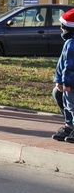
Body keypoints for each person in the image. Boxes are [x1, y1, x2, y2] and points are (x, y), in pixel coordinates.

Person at [51, 8, 74, 142]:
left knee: (71, 105)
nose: (61, 29)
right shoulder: (68, 42)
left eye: (63, 26)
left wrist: (66, 82)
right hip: (66, 82)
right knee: (59, 96)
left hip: (70, 82)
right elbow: (61, 64)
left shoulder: (71, 43)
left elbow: (69, 66)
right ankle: (69, 125)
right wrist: (58, 80)